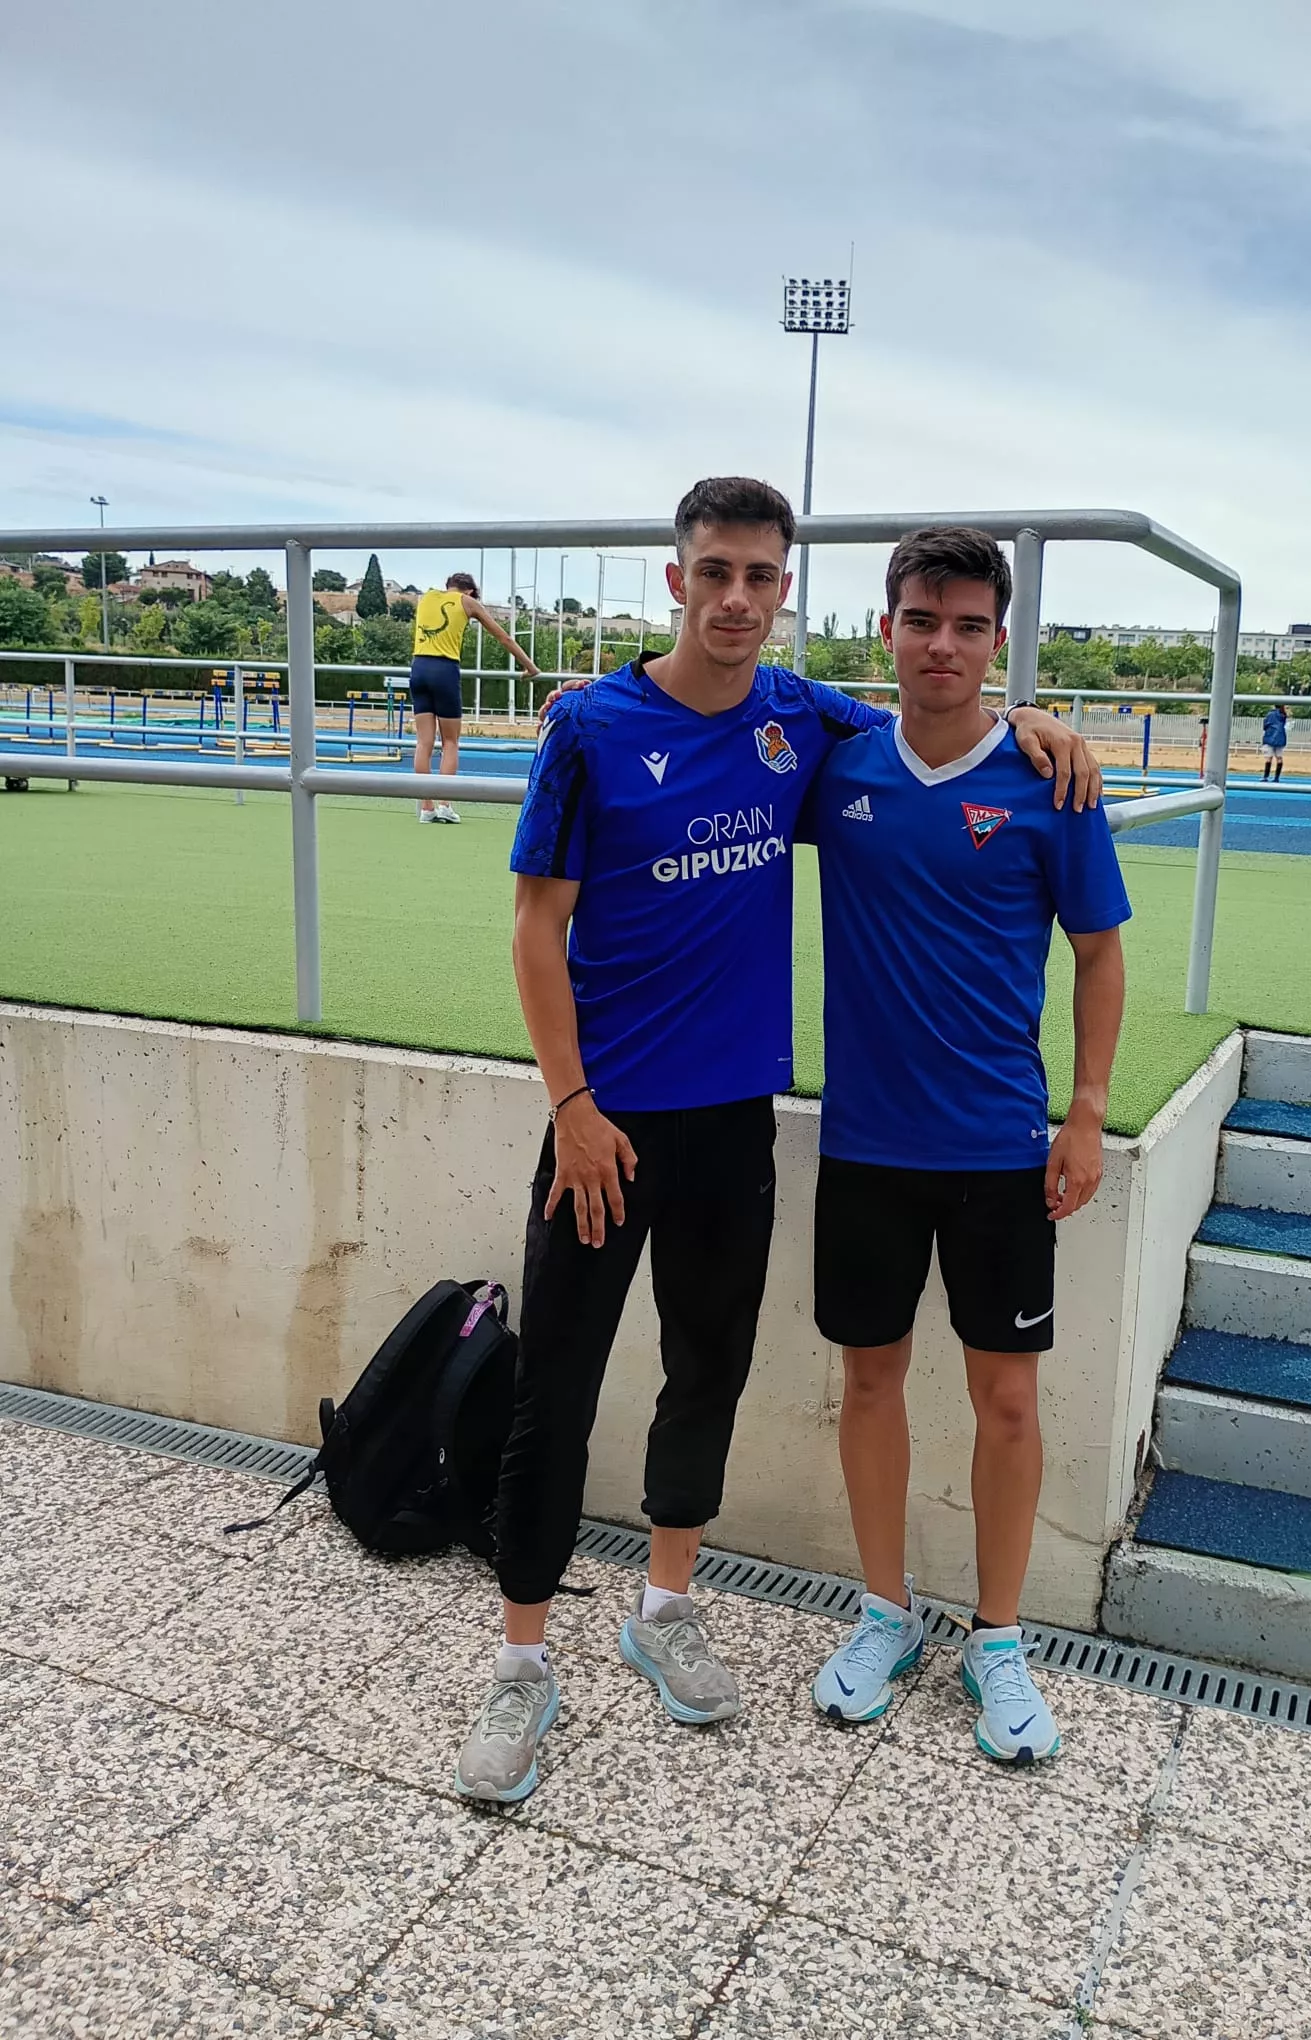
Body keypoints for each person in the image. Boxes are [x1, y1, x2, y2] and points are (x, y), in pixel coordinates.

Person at [452, 477, 1101, 1804]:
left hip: (736, 1121)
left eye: (761, 576)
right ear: (675, 579)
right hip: (604, 1130)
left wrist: (1033, 718)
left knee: (707, 1375)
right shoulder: (589, 728)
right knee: (555, 1393)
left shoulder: (800, 717)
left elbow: (938, 721)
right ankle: (521, 1668)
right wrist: (571, 1107)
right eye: (715, 573)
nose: (737, 599)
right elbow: (535, 929)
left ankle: (666, 1608)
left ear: (788, 590)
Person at [804, 526, 1129, 1766]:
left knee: (1006, 1399)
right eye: (921, 619)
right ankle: (885, 1612)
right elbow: (725, 715)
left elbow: (1100, 958)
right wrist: (594, 698)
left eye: (969, 625)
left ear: (999, 637)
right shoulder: (835, 769)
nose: (943, 644)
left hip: (1000, 1145)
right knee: (871, 1380)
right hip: (867, 1147)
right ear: (886, 625)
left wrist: (1087, 1111)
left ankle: (999, 1638)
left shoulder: (1054, 782)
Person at [409, 572, 539, 823]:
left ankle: (426, 808)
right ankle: (445, 804)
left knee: (423, 742)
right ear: (469, 591)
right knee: (450, 742)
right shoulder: (467, 602)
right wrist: (530, 666)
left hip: (419, 667)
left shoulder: (426, 597)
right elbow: (503, 636)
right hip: (444, 670)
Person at [1260, 701, 1288, 781]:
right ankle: (1277, 777)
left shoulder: (1270, 714)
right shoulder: (1283, 715)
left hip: (1270, 737)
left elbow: (1265, 725)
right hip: (1280, 738)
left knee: (1268, 758)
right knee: (1279, 758)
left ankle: (1266, 776)